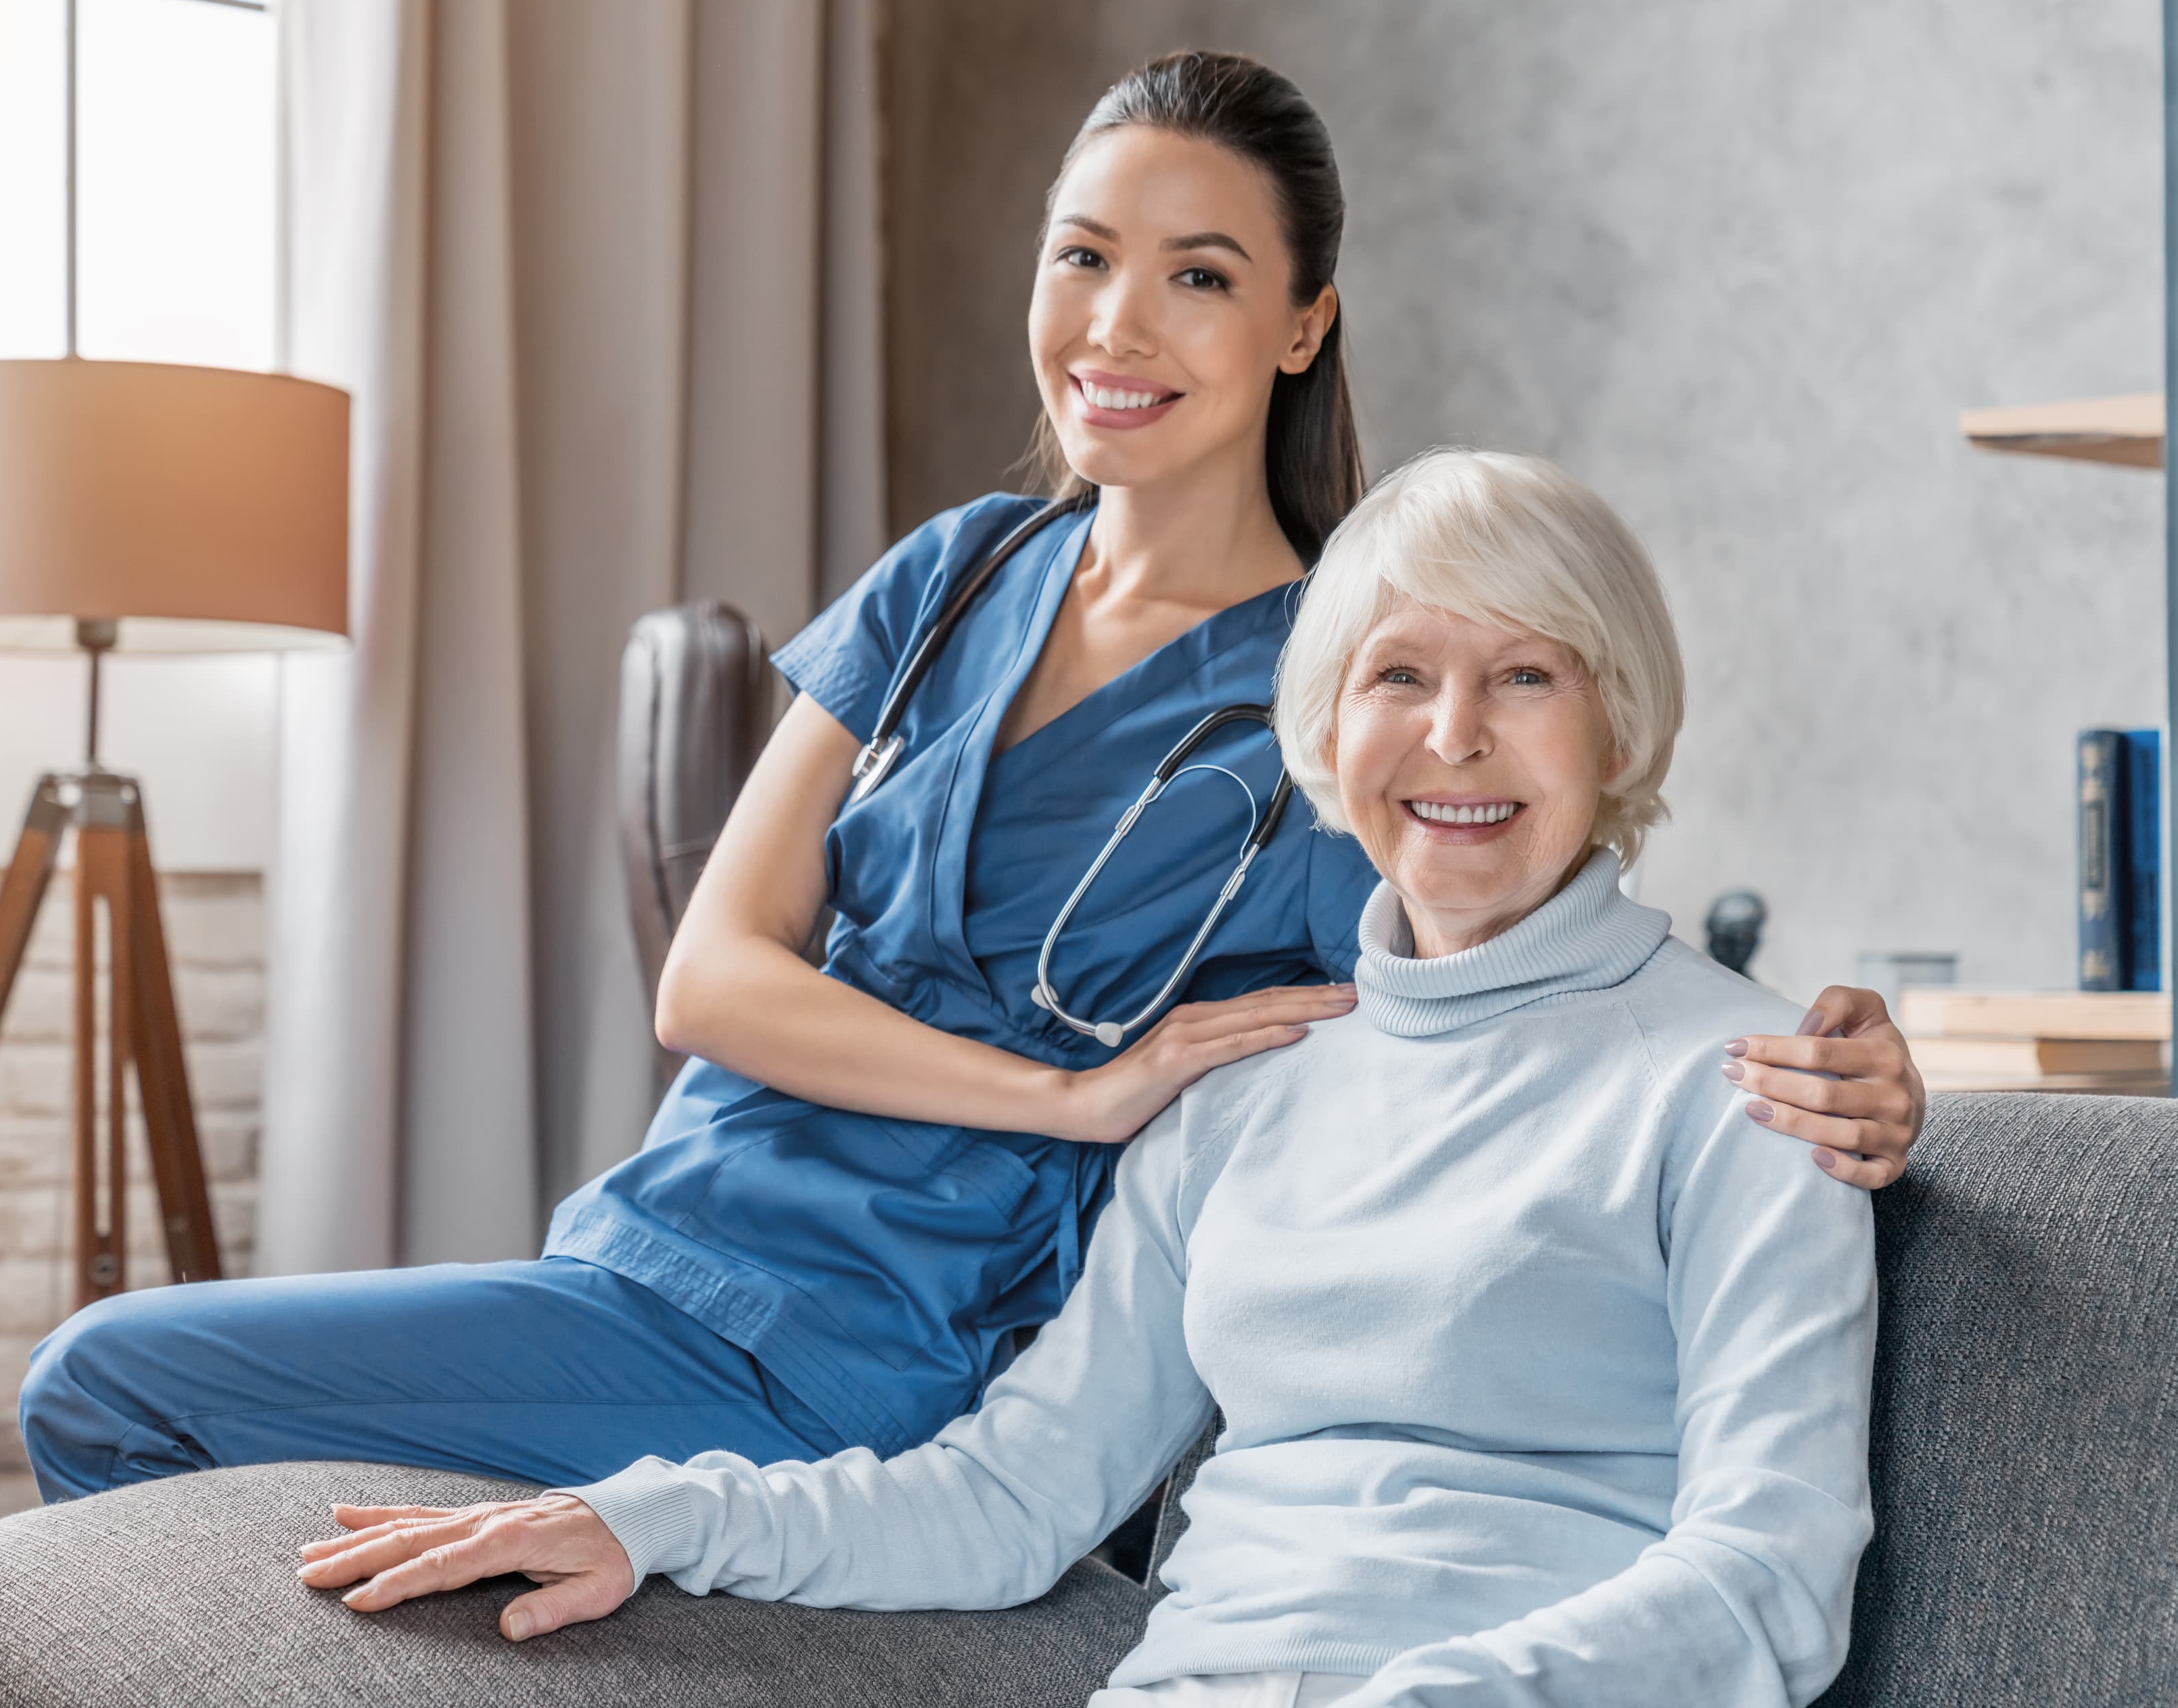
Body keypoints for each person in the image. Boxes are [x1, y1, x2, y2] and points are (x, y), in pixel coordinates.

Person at [19, 51, 1922, 1506]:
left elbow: (1508, 962)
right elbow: (712, 979)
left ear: (1301, 327)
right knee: (128, 1398)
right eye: (1084, 255)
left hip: (883, 1351)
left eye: (1197, 275)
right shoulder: (955, 576)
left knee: (106, 1383)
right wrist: (1069, 1095)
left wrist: (1812, 1061)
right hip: (655, 1257)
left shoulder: (1337, 680)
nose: (1117, 325)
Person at [296, 448, 1880, 1708]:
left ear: (1618, 725)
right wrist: (649, 1515)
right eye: (1400, 677)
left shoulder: (1750, 1088)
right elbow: (1009, 1497)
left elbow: (1772, 1577)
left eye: (1528, 677)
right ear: (1329, 727)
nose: (1454, 737)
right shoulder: (1250, 1095)